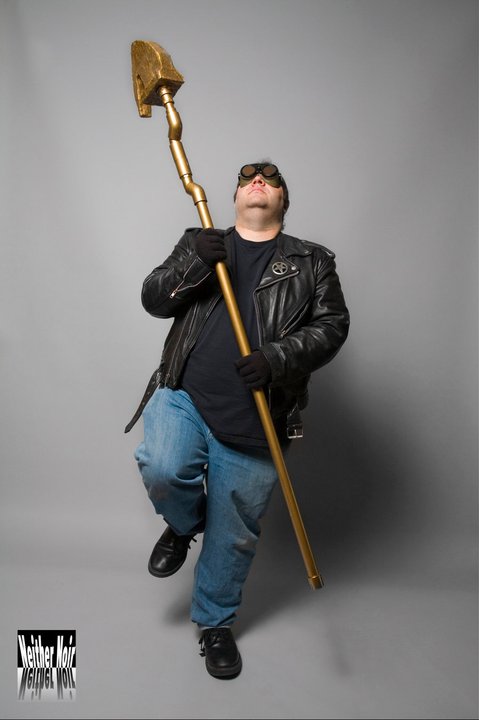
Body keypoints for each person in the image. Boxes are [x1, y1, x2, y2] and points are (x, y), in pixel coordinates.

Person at [125, 161, 349, 679]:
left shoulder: (312, 261)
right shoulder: (200, 240)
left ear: (283, 201)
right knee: (163, 467)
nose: (258, 180)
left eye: (271, 178)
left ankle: (215, 624)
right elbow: (153, 299)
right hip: (185, 393)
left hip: (259, 417)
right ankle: (184, 524)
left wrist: (276, 358)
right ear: (234, 198)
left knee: (233, 535)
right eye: (248, 177)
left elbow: (332, 327)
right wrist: (194, 265)